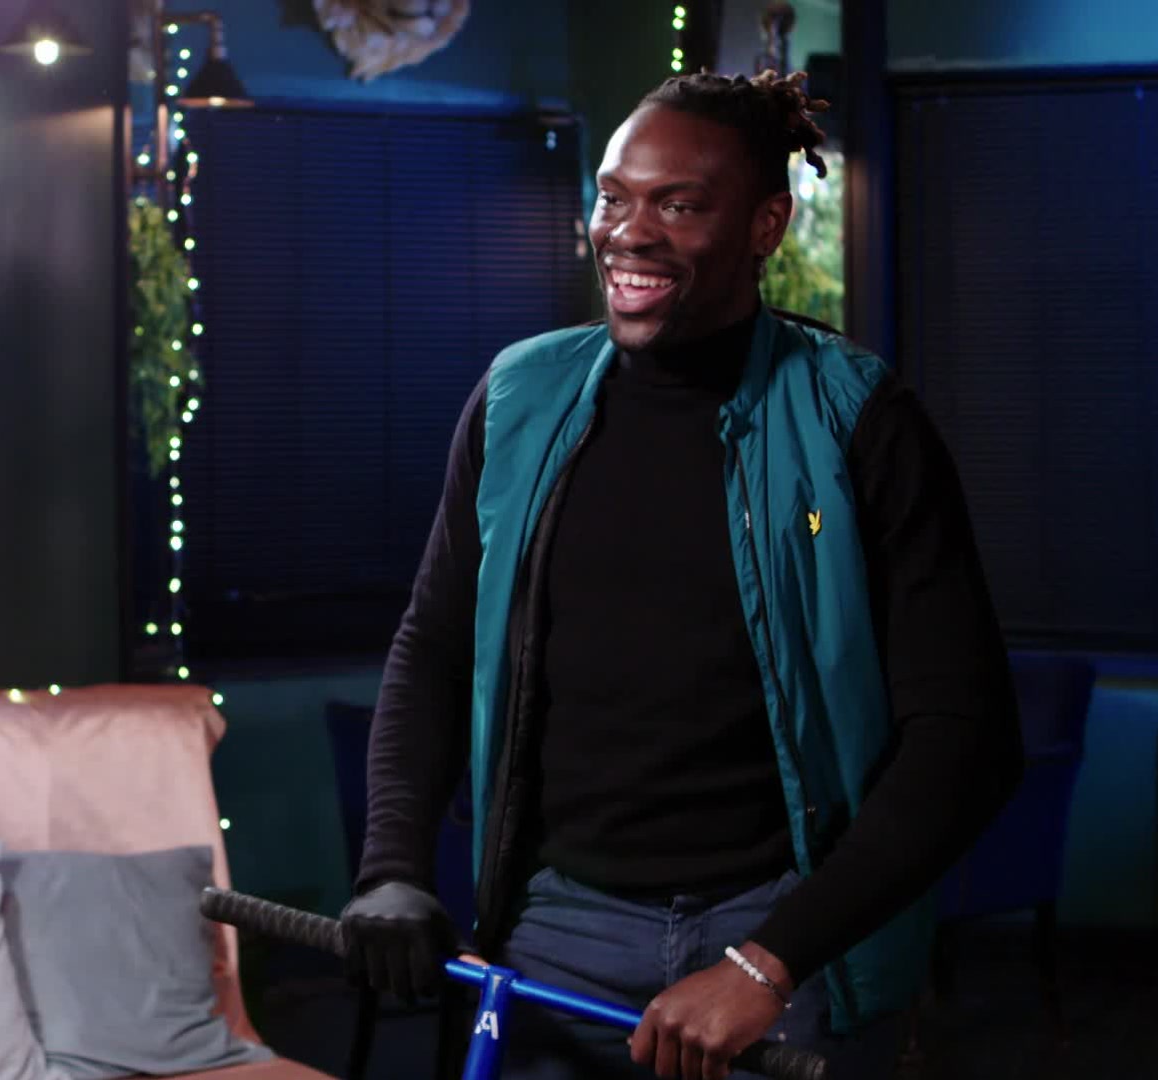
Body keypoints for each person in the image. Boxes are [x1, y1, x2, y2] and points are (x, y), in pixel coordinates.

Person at [338, 69, 1025, 1080]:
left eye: (679, 205)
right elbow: (433, 648)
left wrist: (767, 963)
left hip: (783, 941)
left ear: (766, 225)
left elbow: (967, 736)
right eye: (613, 197)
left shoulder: (858, 419)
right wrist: (392, 868)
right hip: (552, 936)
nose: (629, 232)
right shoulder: (518, 397)